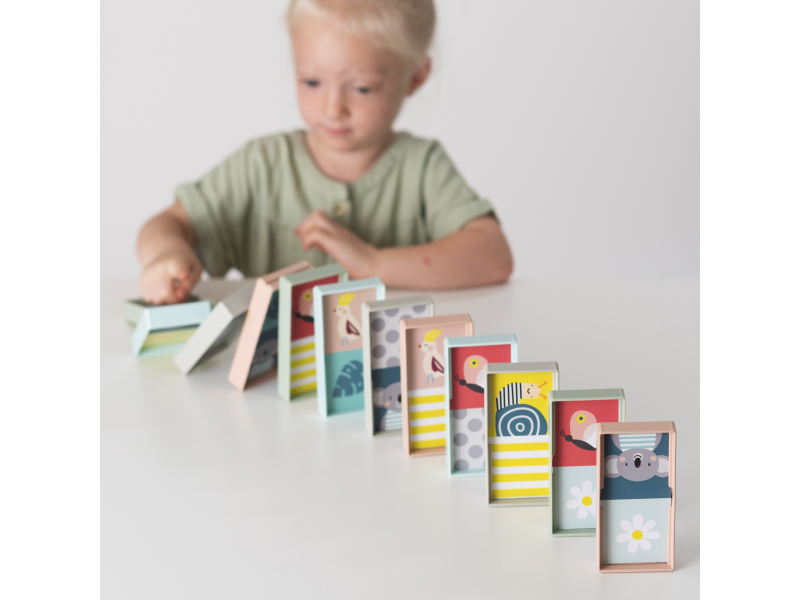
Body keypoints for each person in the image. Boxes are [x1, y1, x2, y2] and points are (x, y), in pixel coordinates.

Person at [137, 0, 514, 304]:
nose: (333, 109)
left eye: (362, 88)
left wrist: (373, 263)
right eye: (312, 82)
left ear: (415, 76)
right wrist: (166, 255)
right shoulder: (261, 165)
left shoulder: (423, 167)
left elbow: (494, 256)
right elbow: (165, 224)